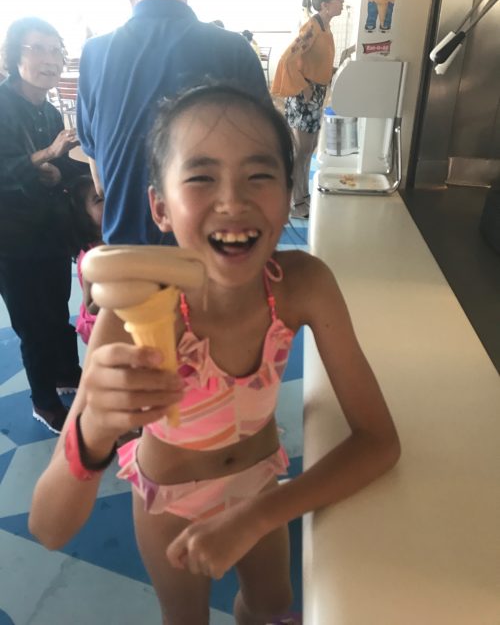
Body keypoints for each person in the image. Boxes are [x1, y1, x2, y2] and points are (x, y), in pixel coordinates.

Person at [29, 85, 400, 625]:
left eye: (260, 175)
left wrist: (256, 515)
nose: (232, 201)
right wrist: (93, 432)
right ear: (160, 207)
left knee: (271, 605)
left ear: (289, 191)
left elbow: (379, 441)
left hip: (259, 484)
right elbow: (47, 528)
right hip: (169, 502)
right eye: (201, 177)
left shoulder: (304, 286)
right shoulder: (133, 310)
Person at [77, 0, 269, 247]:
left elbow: (99, 178)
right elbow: (263, 163)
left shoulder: (95, 54)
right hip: (216, 247)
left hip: (126, 252)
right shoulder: (234, 51)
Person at [0, 17, 87, 434]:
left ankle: (67, 373)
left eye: (56, 50)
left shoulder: (49, 111)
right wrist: (46, 156)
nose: (50, 60)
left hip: (49, 230)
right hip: (11, 238)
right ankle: (43, 399)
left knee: (57, 308)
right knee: (31, 322)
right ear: (14, 56)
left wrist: (65, 172)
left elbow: (62, 169)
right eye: (37, 49)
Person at [272, 0, 343, 219]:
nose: (342, 2)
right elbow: (287, 59)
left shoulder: (324, 28)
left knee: (308, 149)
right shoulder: (311, 28)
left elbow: (316, 61)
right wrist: (303, 88)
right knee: (301, 151)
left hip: (315, 95)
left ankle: (302, 196)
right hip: (305, 97)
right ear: (325, 5)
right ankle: (295, 204)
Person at [65, 174, 104, 344]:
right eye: (99, 200)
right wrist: (113, 294)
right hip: (98, 326)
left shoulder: (120, 239)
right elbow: (91, 306)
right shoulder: (92, 257)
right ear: (84, 217)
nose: (109, 201)